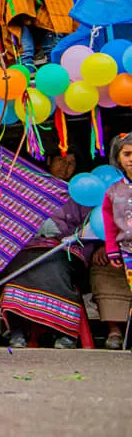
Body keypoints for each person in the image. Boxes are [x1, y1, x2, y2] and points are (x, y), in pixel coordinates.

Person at [0, 198, 89, 349]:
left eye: (69, 171)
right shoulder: (32, 193)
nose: (64, 172)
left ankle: (64, 332)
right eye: (59, 170)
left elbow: (89, 230)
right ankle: (17, 332)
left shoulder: (80, 197)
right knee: (18, 268)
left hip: (64, 249)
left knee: (55, 268)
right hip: (28, 247)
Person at [102, 133, 132, 343]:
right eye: (127, 154)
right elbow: (109, 224)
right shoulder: (113, 191)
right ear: (118, 157)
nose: (131, 159)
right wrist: (112, 249)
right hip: (128, 251)